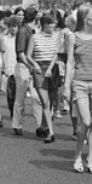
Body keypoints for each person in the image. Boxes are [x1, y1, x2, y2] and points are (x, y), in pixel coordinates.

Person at [63, 3, 92, 174]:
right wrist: (66, 87)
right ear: (84, 19)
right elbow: (69, 62)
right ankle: (77, 156)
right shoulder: (73, 37)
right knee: (86, 121)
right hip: (80, 83)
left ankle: (90, 160)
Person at [27, 14, 59, 143]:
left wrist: (51, 68)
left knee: (50, 103)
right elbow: (29, 55)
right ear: (43, 25)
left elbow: (56, 54)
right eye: (49, 23)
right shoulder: (34, 37)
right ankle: (51, 132)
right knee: (44, 102)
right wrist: (35, 64)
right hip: (39, 68)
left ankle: (43, 126)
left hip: (53, 68)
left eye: (53, 23)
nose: (52, 26)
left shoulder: (57, 36)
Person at [12, 7, 43, 137]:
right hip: (24, 66)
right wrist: (29, 65)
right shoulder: (23, 31)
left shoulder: (34, 31)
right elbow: (20, 53)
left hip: (33, 66)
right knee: (21, 97)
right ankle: (17, 124)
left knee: (37, 97)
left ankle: (41, 125)